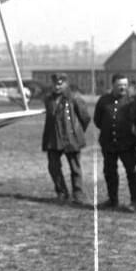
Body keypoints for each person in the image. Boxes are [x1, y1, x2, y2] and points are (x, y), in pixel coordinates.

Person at [93, 74, 136, 211]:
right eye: (120, 85)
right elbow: (97, 121)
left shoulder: (132, 101)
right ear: (113, 85)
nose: (123, 88)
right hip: (109, 144)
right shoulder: (103, 101)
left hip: (127, 144)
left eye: (125, 85)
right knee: (109, 172)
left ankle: (135, 201)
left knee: (131, 172)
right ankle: (112, 200)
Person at [41, 73, 91, 203]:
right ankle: (62, 192)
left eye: (60, 83)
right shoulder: (48, 99)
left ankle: (78, 194)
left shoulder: (74, 98)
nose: (57, 86)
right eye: (55, 83)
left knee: (75, 168)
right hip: (54, 138)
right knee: (53, 167)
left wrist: (77, 132)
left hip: (71, 138)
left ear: (66, 83)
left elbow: (85, 117)